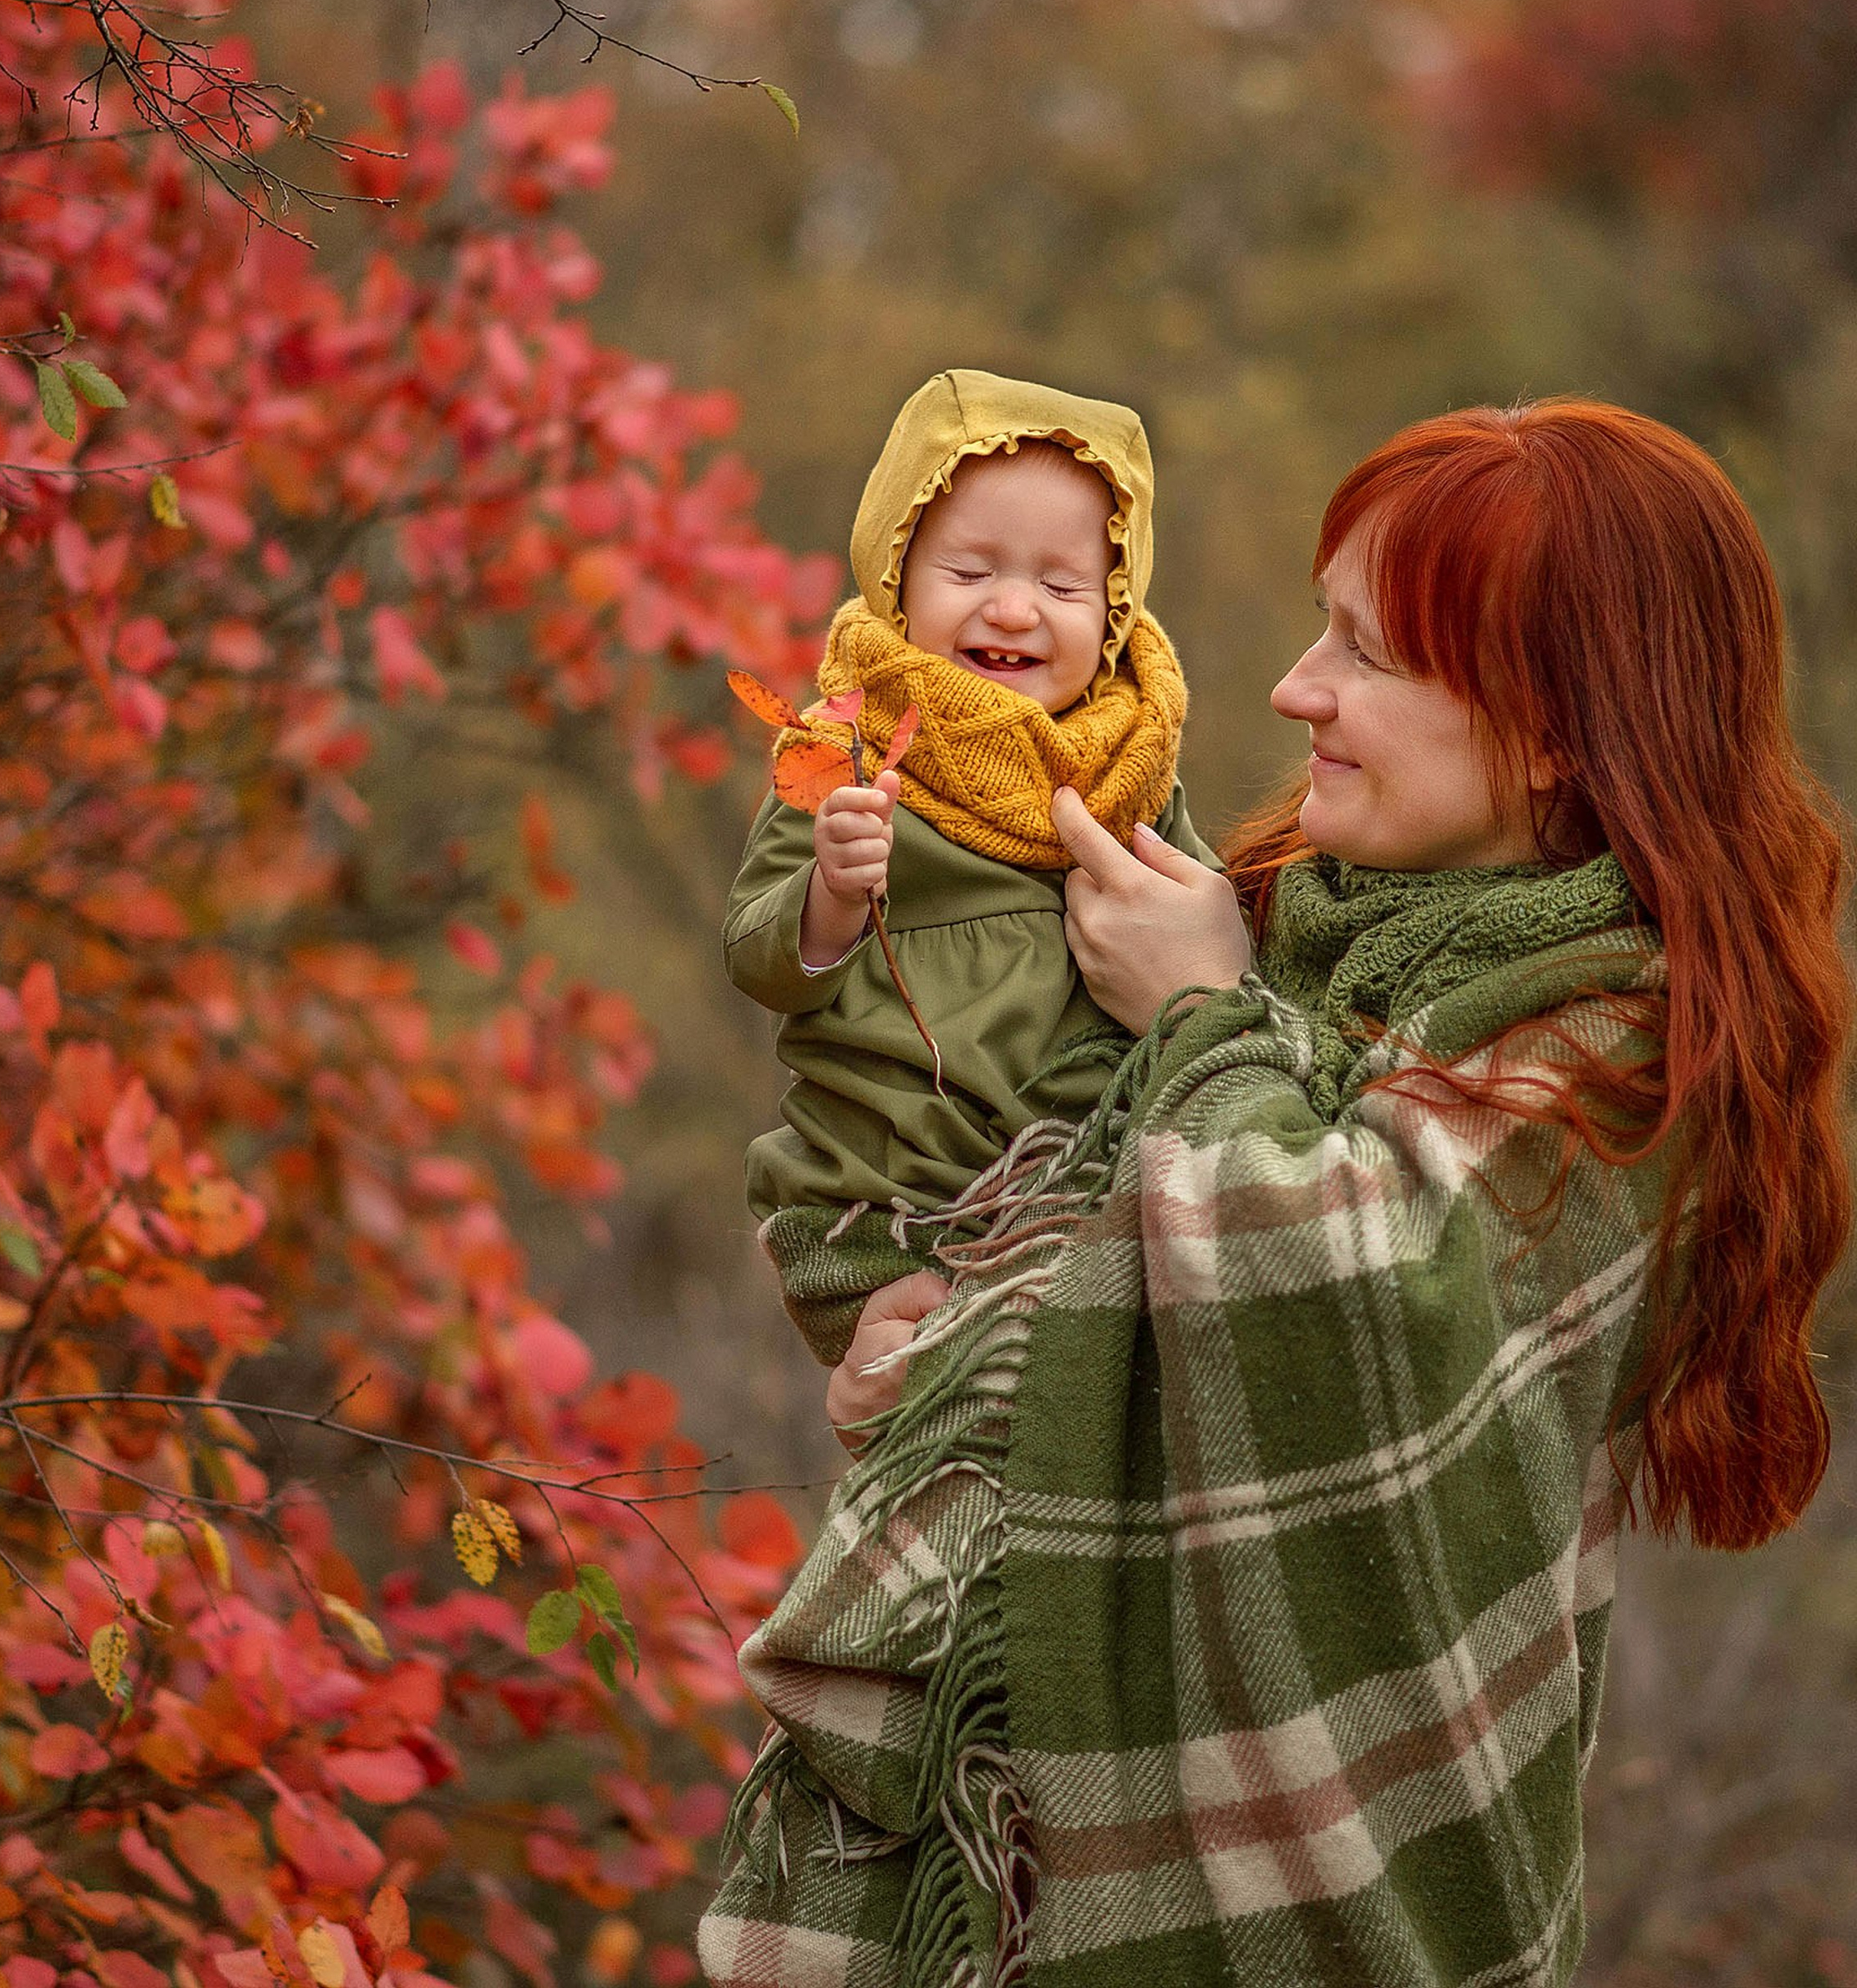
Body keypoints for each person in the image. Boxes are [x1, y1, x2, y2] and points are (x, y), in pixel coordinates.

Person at [703, 400, 1851, 1988]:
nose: (1293, 687)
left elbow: (1345, 1297)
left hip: (1331, 1906)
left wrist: (1196, 1015)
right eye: (1322, 629)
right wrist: (920, 1331)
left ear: (1553, 728)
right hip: (1022, 1884)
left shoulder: (1617, 1057)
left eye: (1368, 654)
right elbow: (939, 1135)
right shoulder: (1280, 936)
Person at [723, 369, 1220, 1371]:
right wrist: (830, 896)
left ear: (1115, 610)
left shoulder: (1127, 769)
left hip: (1073, 1192)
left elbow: (1208, 932)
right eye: (969, 572)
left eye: (1060, 584)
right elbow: (754, 956)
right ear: (898, 576)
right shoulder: (846, 750)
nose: (1013, 607)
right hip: (887, 1193)